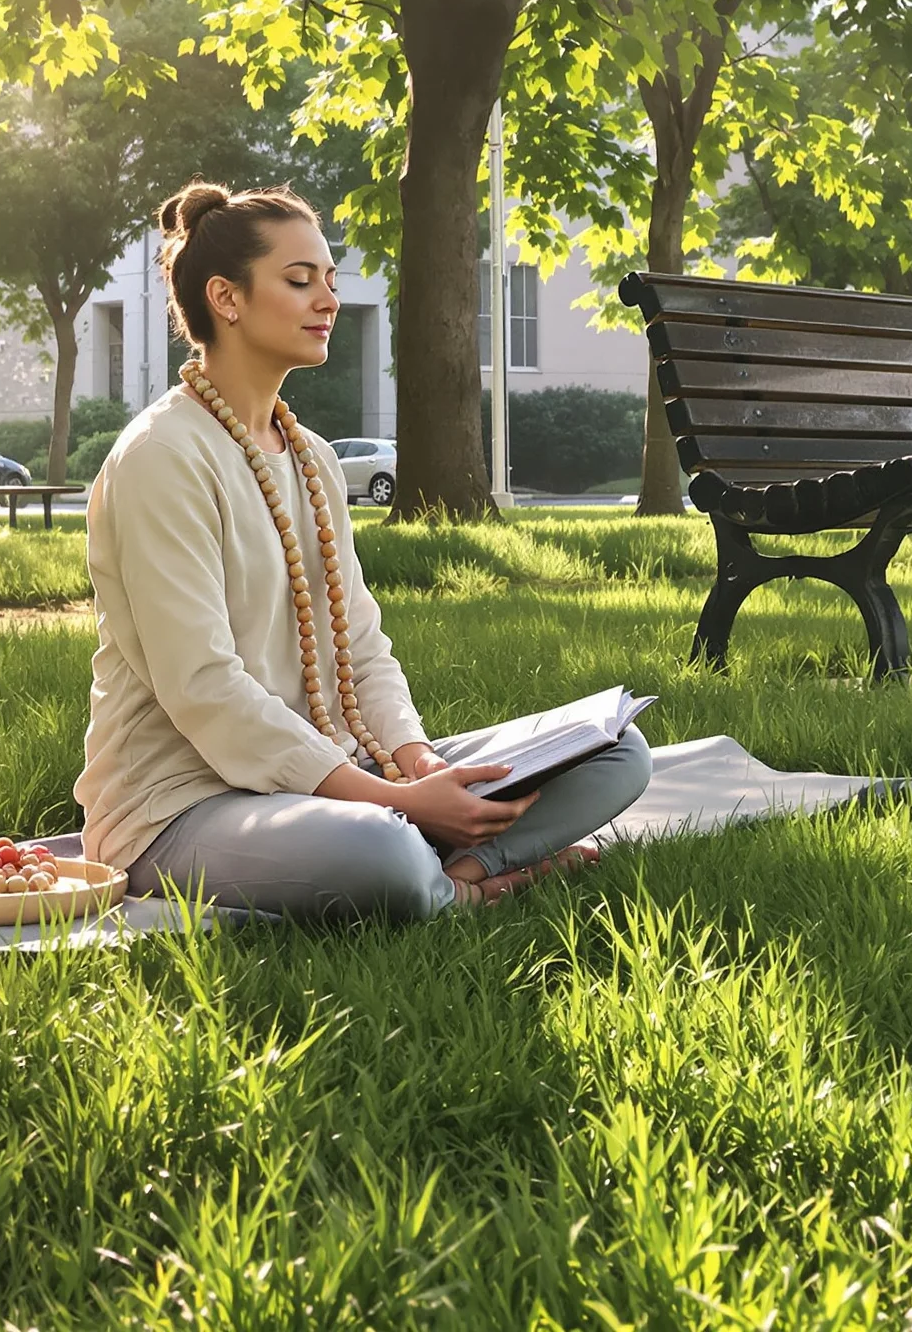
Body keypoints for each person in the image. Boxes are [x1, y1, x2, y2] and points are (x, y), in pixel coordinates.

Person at [74, 180, 652, 920]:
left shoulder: (311, 457)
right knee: (382, 850)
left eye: (330, 279)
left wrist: (417, 761)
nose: (328, 300)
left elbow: (364, 646)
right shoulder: (162, 456)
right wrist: (395, 803)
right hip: (182, 807)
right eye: (299, 280)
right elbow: (204, 687)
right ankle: (456, 884)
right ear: (226, 298)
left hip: (344, 778)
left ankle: (457, 870)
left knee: (616, 750)